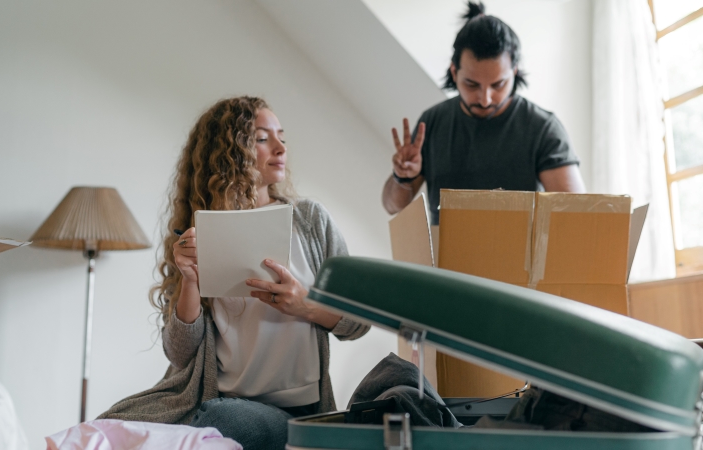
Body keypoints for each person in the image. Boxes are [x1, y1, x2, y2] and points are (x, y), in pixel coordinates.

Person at [98, 96, 370, 449]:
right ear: (229, 152)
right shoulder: (199, 232)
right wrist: (190, 281)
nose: (280, 147)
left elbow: (359, 321)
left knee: (219, 421)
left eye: (281, 137)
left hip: (294, 412)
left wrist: (304, 305)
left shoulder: (311, 222)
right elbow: (180, 355)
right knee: (105, 428)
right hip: (215, 397)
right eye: (262, 138)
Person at [382, 1, 586, 224]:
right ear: (454, 71)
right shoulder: (432, 122)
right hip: (445, 258)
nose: (485, 99)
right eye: (472, 84)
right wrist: (402, 176)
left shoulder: (542, 129)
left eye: (498, 85)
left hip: (519, 257)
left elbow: (575, 216)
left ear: (514, 72)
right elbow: (393, 206)